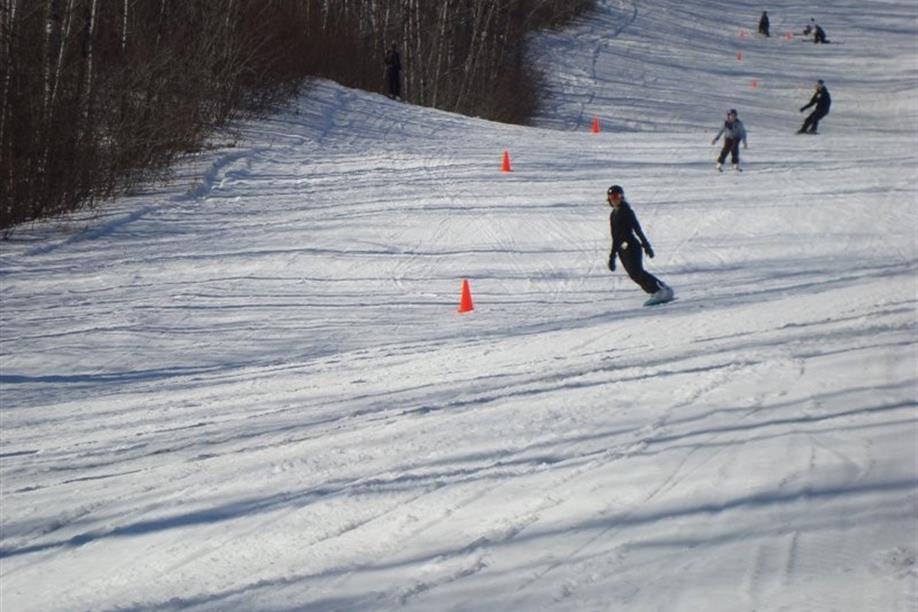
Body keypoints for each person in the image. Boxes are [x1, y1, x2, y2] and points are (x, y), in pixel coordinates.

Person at [606, 185, 674, 305]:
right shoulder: (613, 214)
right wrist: (612, 256)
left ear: (622, 197)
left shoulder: (626, 211)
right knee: (633, 274)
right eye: (612, 197)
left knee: (637, 272)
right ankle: (657, 290)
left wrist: (646, 245)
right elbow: (615, 237)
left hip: (632, 246)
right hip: (622, 249)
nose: (614, 199)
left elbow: (637, 229)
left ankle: (660, 290)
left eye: (617, 196)